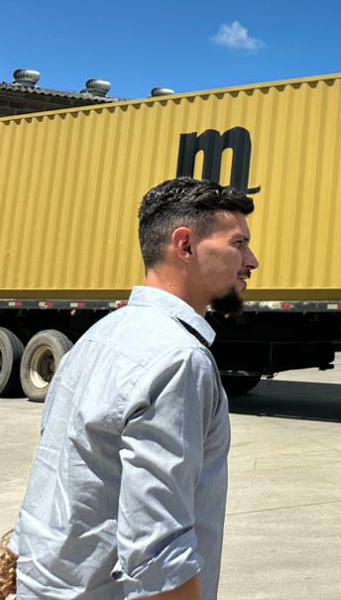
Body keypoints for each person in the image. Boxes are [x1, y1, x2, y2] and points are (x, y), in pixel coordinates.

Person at [14, 177, 258, 600]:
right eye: (238, 243)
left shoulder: (96, 338)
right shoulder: (179, 359)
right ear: (185, 246)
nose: (252, 261)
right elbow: (157, 557)